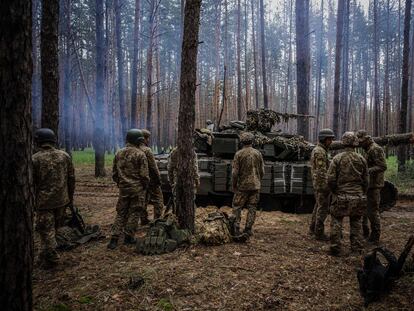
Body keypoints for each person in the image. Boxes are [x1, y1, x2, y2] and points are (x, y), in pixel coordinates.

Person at [33, 128, 75, 269]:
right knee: (53, 230)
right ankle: (41, 258)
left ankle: (53, 259)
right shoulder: (64, 156)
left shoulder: (35, 159)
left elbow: (31, 182)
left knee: (46, 230)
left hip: (44, 203)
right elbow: (71, 178)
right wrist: (70, 198)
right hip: (62, 200)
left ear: (38, 141)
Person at [327, 132, 369, 256]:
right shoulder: (361, 159)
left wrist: (335, 191)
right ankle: (356, 249)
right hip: (358, 196)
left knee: (336, 221)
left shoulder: (337, 158)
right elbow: (366, 180)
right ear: (355, 143)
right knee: (356, 222)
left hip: (341, 196)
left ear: (343, 142)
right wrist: (361, 192)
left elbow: (330, 179)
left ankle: (335, 248)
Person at [107, 129, 149, 250]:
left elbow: (114, 174)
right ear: (138, 140)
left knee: (121, 213)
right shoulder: (140, 154)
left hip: (124, 189)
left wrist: (121, 184)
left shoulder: (118, 153)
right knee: (135, 212)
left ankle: (114, 239)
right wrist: (144, 187)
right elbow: (144, 176)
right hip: (137, 189)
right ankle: (128, 237)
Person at [231, 132, 265, 237]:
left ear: (242, 142)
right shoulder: (258, 153)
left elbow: (235, 173)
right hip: (255, 186)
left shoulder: (239, 154)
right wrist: (258, 181)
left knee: (237, 207)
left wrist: (234, 185)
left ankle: (236, 229)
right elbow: (262, 171)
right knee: (252, 207)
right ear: (252, 141)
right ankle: (248, 229)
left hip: (242, 186)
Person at [357, 130, 387, 244]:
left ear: (365, 139)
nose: (360, 144)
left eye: (361, 141)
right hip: (369, 185)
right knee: (365, 210)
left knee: (373, 211)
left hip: (374, 185)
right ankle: (366, 233)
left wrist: (366, 171)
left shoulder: (375, 149)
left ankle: (375, 237)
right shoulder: (368, 149)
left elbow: (382, 166)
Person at [309, 128, 335, 240]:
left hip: (320, 184)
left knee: (318, 206)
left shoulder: (322, 150)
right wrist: (326, 186)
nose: (331, 142)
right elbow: (321, 171)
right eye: (329, 139)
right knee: (323, 208)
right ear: (323, 139)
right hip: (321, 185)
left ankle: (312, 228)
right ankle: (319, 233)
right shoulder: (319, 151)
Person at [167, 146, 200, 213]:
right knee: (190, 201)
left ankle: (177, 217)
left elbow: (170, 168)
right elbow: (195, 168)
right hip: (189, 181)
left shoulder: (174, 151)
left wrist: (171, 182)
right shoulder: (191, 152)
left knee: (177, 201)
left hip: (177, 181)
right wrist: (197, 181)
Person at [140, 129, 164, 220]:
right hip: (150, 180)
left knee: (143, 200)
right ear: (145, 139)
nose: (149, 140)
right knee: (158, 200)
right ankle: (157, 220)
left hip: (139, 181)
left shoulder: (134, 149)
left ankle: (143, 219)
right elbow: (154, 168)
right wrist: (158, 179)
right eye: (148, 138)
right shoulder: (147, 150)